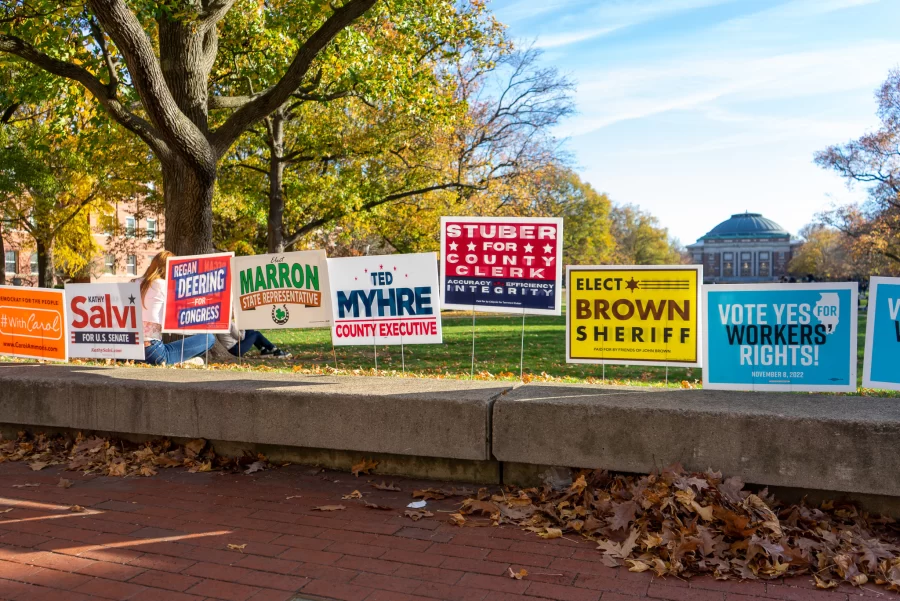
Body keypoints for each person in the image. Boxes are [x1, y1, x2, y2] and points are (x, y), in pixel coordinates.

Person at [136, 251, 216, 366]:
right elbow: (178, 324)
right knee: (209, 338)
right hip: (151, 351)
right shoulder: (164, 286)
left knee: (168, 348)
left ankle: (180, 361)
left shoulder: (134, 282)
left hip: (128, 350)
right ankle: (180, 362)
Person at [217, 322, 292, 358]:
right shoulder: (229, 324)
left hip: (231, 348)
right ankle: (275, 350)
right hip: (235, 349)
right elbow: (241, 337)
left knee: (251, 331)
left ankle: (264, 350)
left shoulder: (220, 323)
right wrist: (242, 327)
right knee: (256, 334)